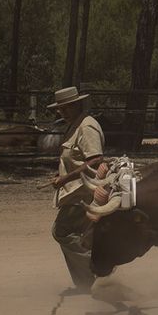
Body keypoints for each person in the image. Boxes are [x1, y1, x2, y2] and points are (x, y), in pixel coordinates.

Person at [45, 86, 108, 292]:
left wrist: (65, 178)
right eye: (60, 108)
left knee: (61, 230)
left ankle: (95, 271)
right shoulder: (76, 125)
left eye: (66, 107)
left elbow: (96, 160)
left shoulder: (86, 126)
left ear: (77, 105)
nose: (62, 112)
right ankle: (89, 281)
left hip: (83, 191)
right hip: (77, 190)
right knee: (81, 234)